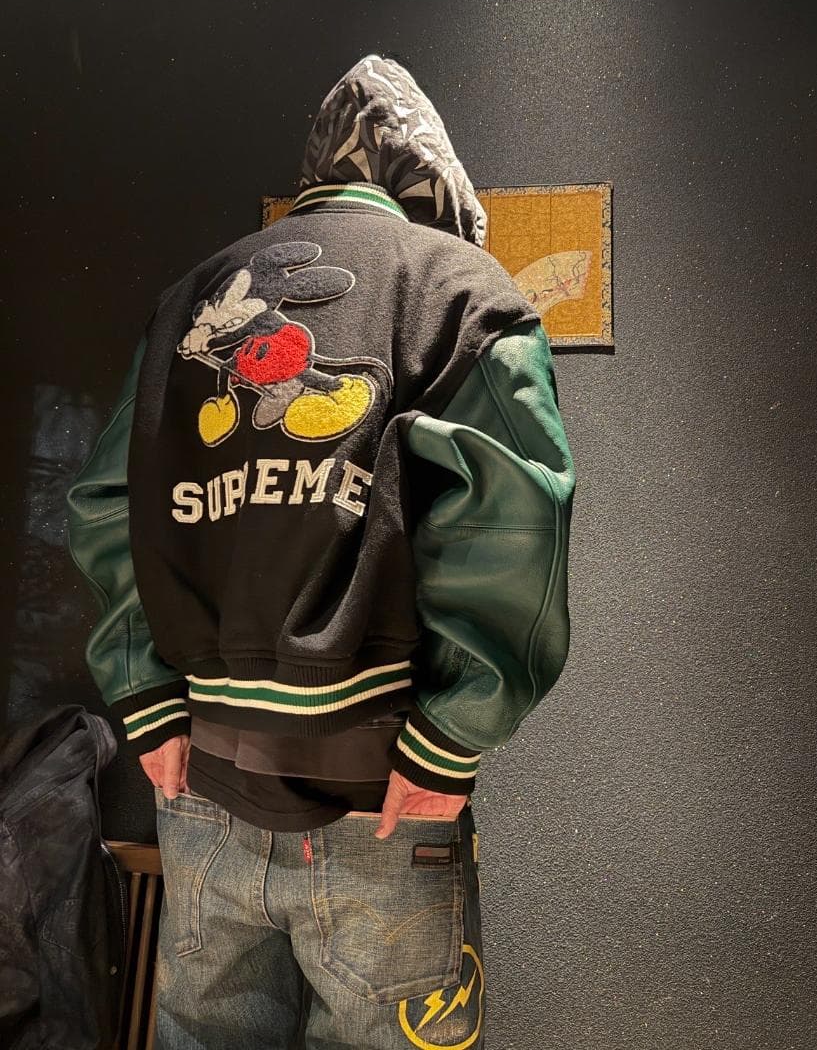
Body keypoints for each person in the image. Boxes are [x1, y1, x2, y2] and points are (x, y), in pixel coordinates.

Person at [67, 53, 575, 1050]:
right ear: (432, 183)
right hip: (381, 794)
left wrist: (147, 700)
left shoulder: (188, 302)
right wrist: (452, 736)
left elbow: (102, 502)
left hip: (201, 782)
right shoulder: (464, 290)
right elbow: (514, 525)